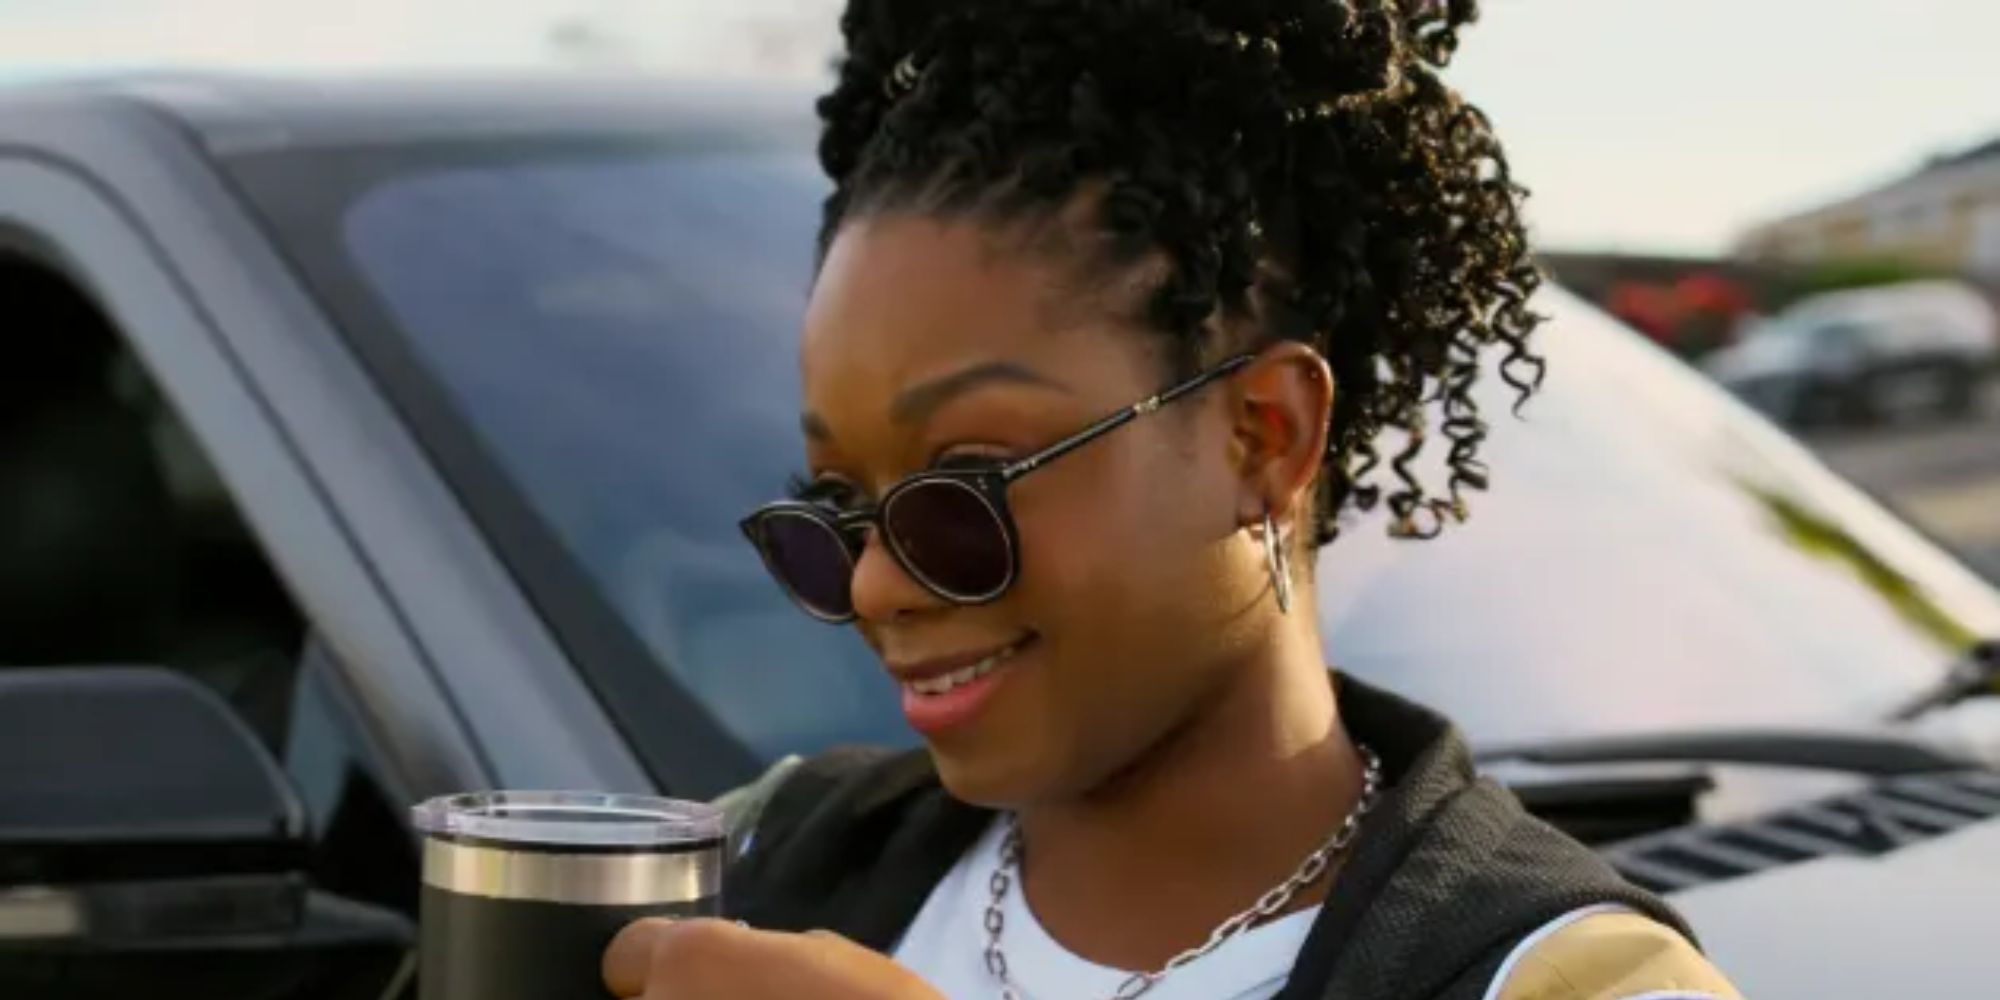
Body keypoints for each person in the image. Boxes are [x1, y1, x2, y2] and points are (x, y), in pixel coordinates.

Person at [604, 0, 1744, 997]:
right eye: (837, 510)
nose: (872, 581)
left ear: (1263, 434)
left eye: (963, 487)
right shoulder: (765, 861)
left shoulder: (1557, 982)